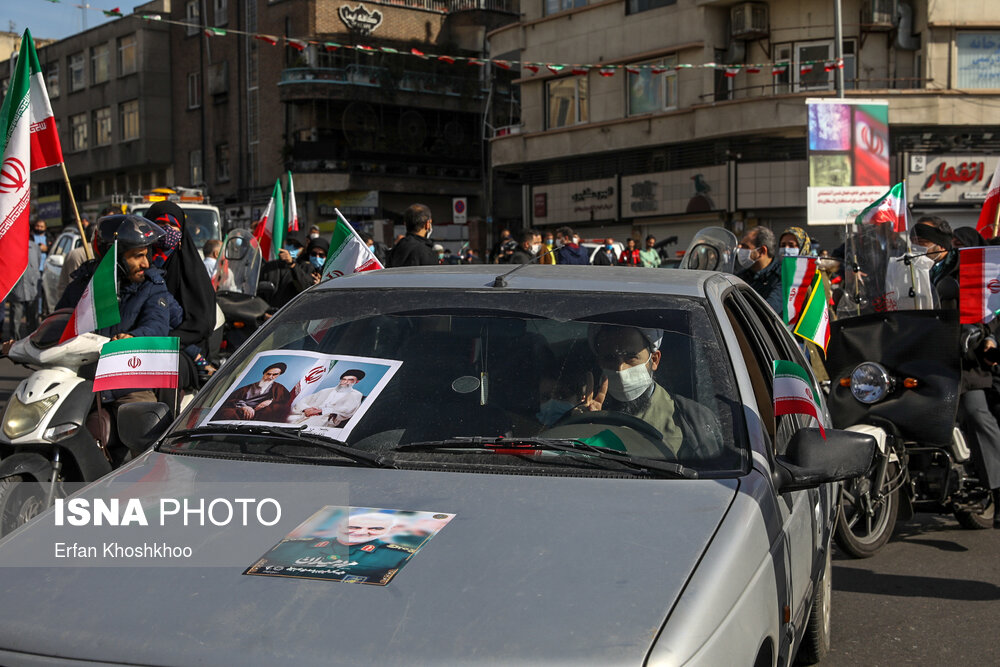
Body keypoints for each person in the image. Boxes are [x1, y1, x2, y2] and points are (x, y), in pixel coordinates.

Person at [915, 216, 1000, 526]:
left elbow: (990, 304)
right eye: (916, 243)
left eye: (923, 243)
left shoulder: (967, 267)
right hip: (928, 353)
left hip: (965, 356)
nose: (919, 250)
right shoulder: (913, 269)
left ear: (942, 242)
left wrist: (980, 331)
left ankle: (998, 489)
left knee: (977, 414)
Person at [584, 324, 723, 459]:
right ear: (599, 362)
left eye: (631, 357)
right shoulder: (585, 411)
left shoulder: (692, 421)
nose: (620, 369)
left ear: (654, 360)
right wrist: (581, 428)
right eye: (610, 358)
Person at [144, 201, 217, 384]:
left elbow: (202, 321)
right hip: (142, 341)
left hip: (184, 346)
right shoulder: (140, 263)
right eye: (160, 224)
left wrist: (170, 341)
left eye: (173, 225)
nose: (167, 230)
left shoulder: (190, 267)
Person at [265, 512, 415, 583]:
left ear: (387, 531)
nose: (361, 532)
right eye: (353, 526)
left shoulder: (397, 556)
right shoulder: (290, 546)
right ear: (339, 526)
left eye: (375, 528)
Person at [287, 369, 366, 428]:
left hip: (325, 419)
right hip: (305, 415)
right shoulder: (326, 391)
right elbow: (303, 401)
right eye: (344, 379)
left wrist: (320, 411)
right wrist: (306, 409)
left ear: (356, 382)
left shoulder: (356, 395)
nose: (345, 382)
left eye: (350, 380)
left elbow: (346, 411)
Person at [216, 363, 293, 422]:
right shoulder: (246, 388)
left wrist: (270, 401)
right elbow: (233, 399)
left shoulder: (279, 388)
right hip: (242, 410)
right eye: (268, 374)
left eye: (275, 375)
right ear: (264, 373)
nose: (270, 377)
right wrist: (244, 407)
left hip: (261, 412)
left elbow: (285, 401)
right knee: (227, 413)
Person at [736, 226, 783, 314]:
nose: (739, 250)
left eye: (745, 247)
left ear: (761, 251)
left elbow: (768, 311)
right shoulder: (740, 277)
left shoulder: (782, 276)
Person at [7, 240, 40, 340]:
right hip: (17, 290)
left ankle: (32, 342)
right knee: (15, 320)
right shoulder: (10, 247)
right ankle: (14, 343)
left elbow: (37, 263)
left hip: (32, 289)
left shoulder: (34, 247)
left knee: (33, 320)